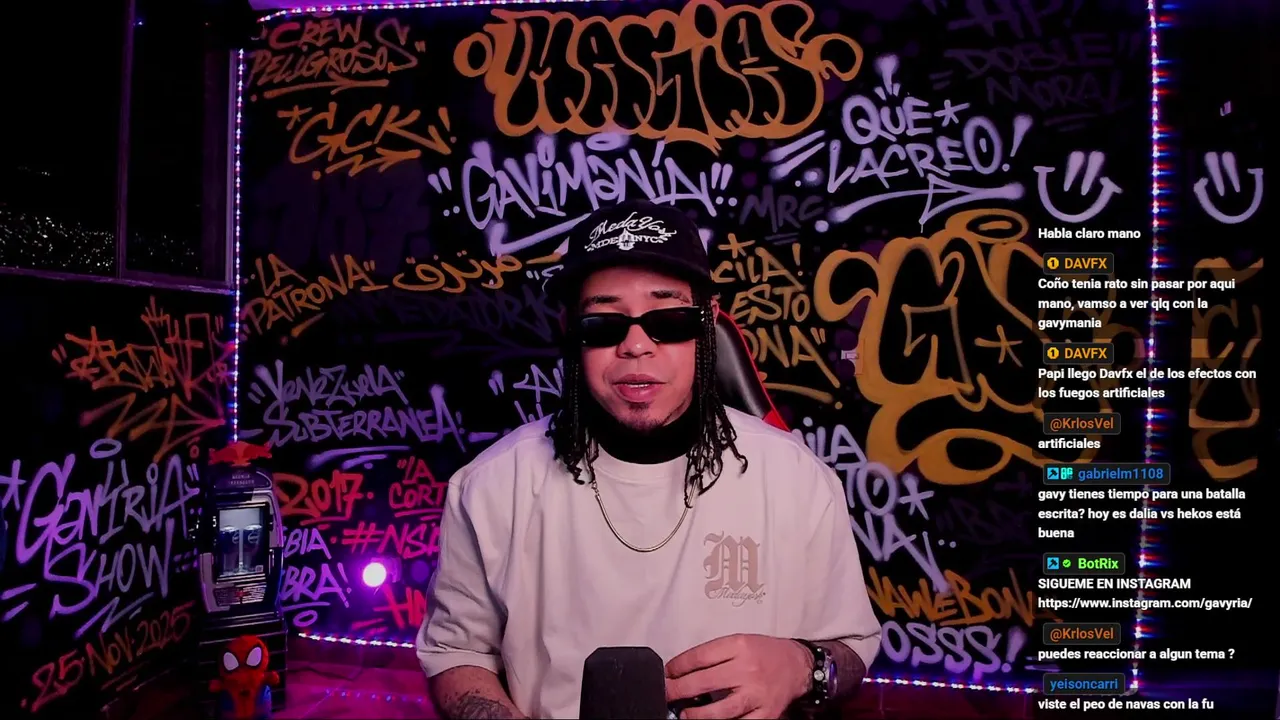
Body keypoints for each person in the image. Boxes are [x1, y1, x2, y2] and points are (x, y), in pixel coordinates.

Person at [417, 200, 882, 719]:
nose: (636, 345)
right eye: (603, 323)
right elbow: (456, 652)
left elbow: (850, 646)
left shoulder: (795, 478)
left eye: (670, 319)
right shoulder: (491, 486)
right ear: (570, 328)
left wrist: (802, 667)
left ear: (707, 321)